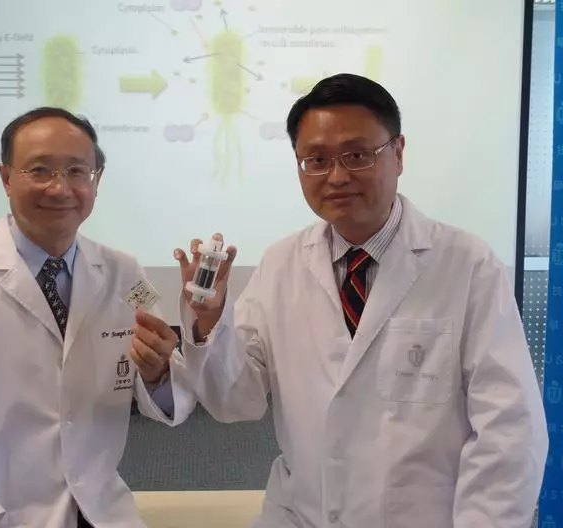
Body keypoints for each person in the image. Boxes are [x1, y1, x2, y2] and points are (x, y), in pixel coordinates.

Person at [133, 74, 549, 527]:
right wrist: (210, 324)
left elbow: (509, 429)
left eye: (357, 155)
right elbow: (238, 399)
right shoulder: (283, 262)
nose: (336, 176)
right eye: (316, 160)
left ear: (399, 153)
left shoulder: (467, 265)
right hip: (301, 515)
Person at [0, 107, 193, 528]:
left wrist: (159, 375)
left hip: (101, 511)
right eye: (40, 170)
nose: (60, 188)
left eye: (77, 171)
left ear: (96, 180)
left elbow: (169, 395)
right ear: (6, 177)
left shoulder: (126, 274)